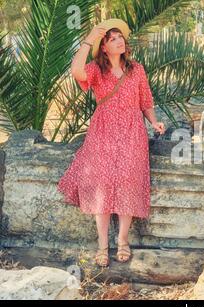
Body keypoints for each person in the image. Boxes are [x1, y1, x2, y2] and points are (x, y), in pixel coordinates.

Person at [57, 18, 165, 267]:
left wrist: (154, 122)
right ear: (104, 47)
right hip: (103, 131)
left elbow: (145, 101)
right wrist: (88, 39)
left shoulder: (136, 69)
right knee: (102, 185)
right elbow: (76, 72)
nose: (119, 41)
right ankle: (103, 245)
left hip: (132, 130)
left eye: (120, 37)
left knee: (128, 180)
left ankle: (123, 241)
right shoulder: (97, 69)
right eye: (112, 38)